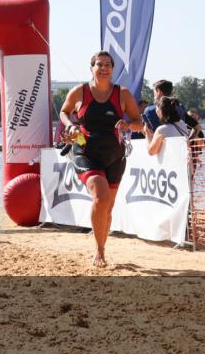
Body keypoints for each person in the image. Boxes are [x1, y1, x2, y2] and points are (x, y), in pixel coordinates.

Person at [59, 51, 144, 267]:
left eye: (108, 64)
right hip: (85, 152)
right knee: (101, 196)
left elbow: (139, 122)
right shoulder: (80, 91)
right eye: (99, 64)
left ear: (113, 69)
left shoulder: (122, 94)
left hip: (115, 155)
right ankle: (99, 251)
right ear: (92, 68)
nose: (104, 68)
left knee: (108, 207)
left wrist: (128, 125)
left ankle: (102, 247)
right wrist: (70, 125)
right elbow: (64, 111)